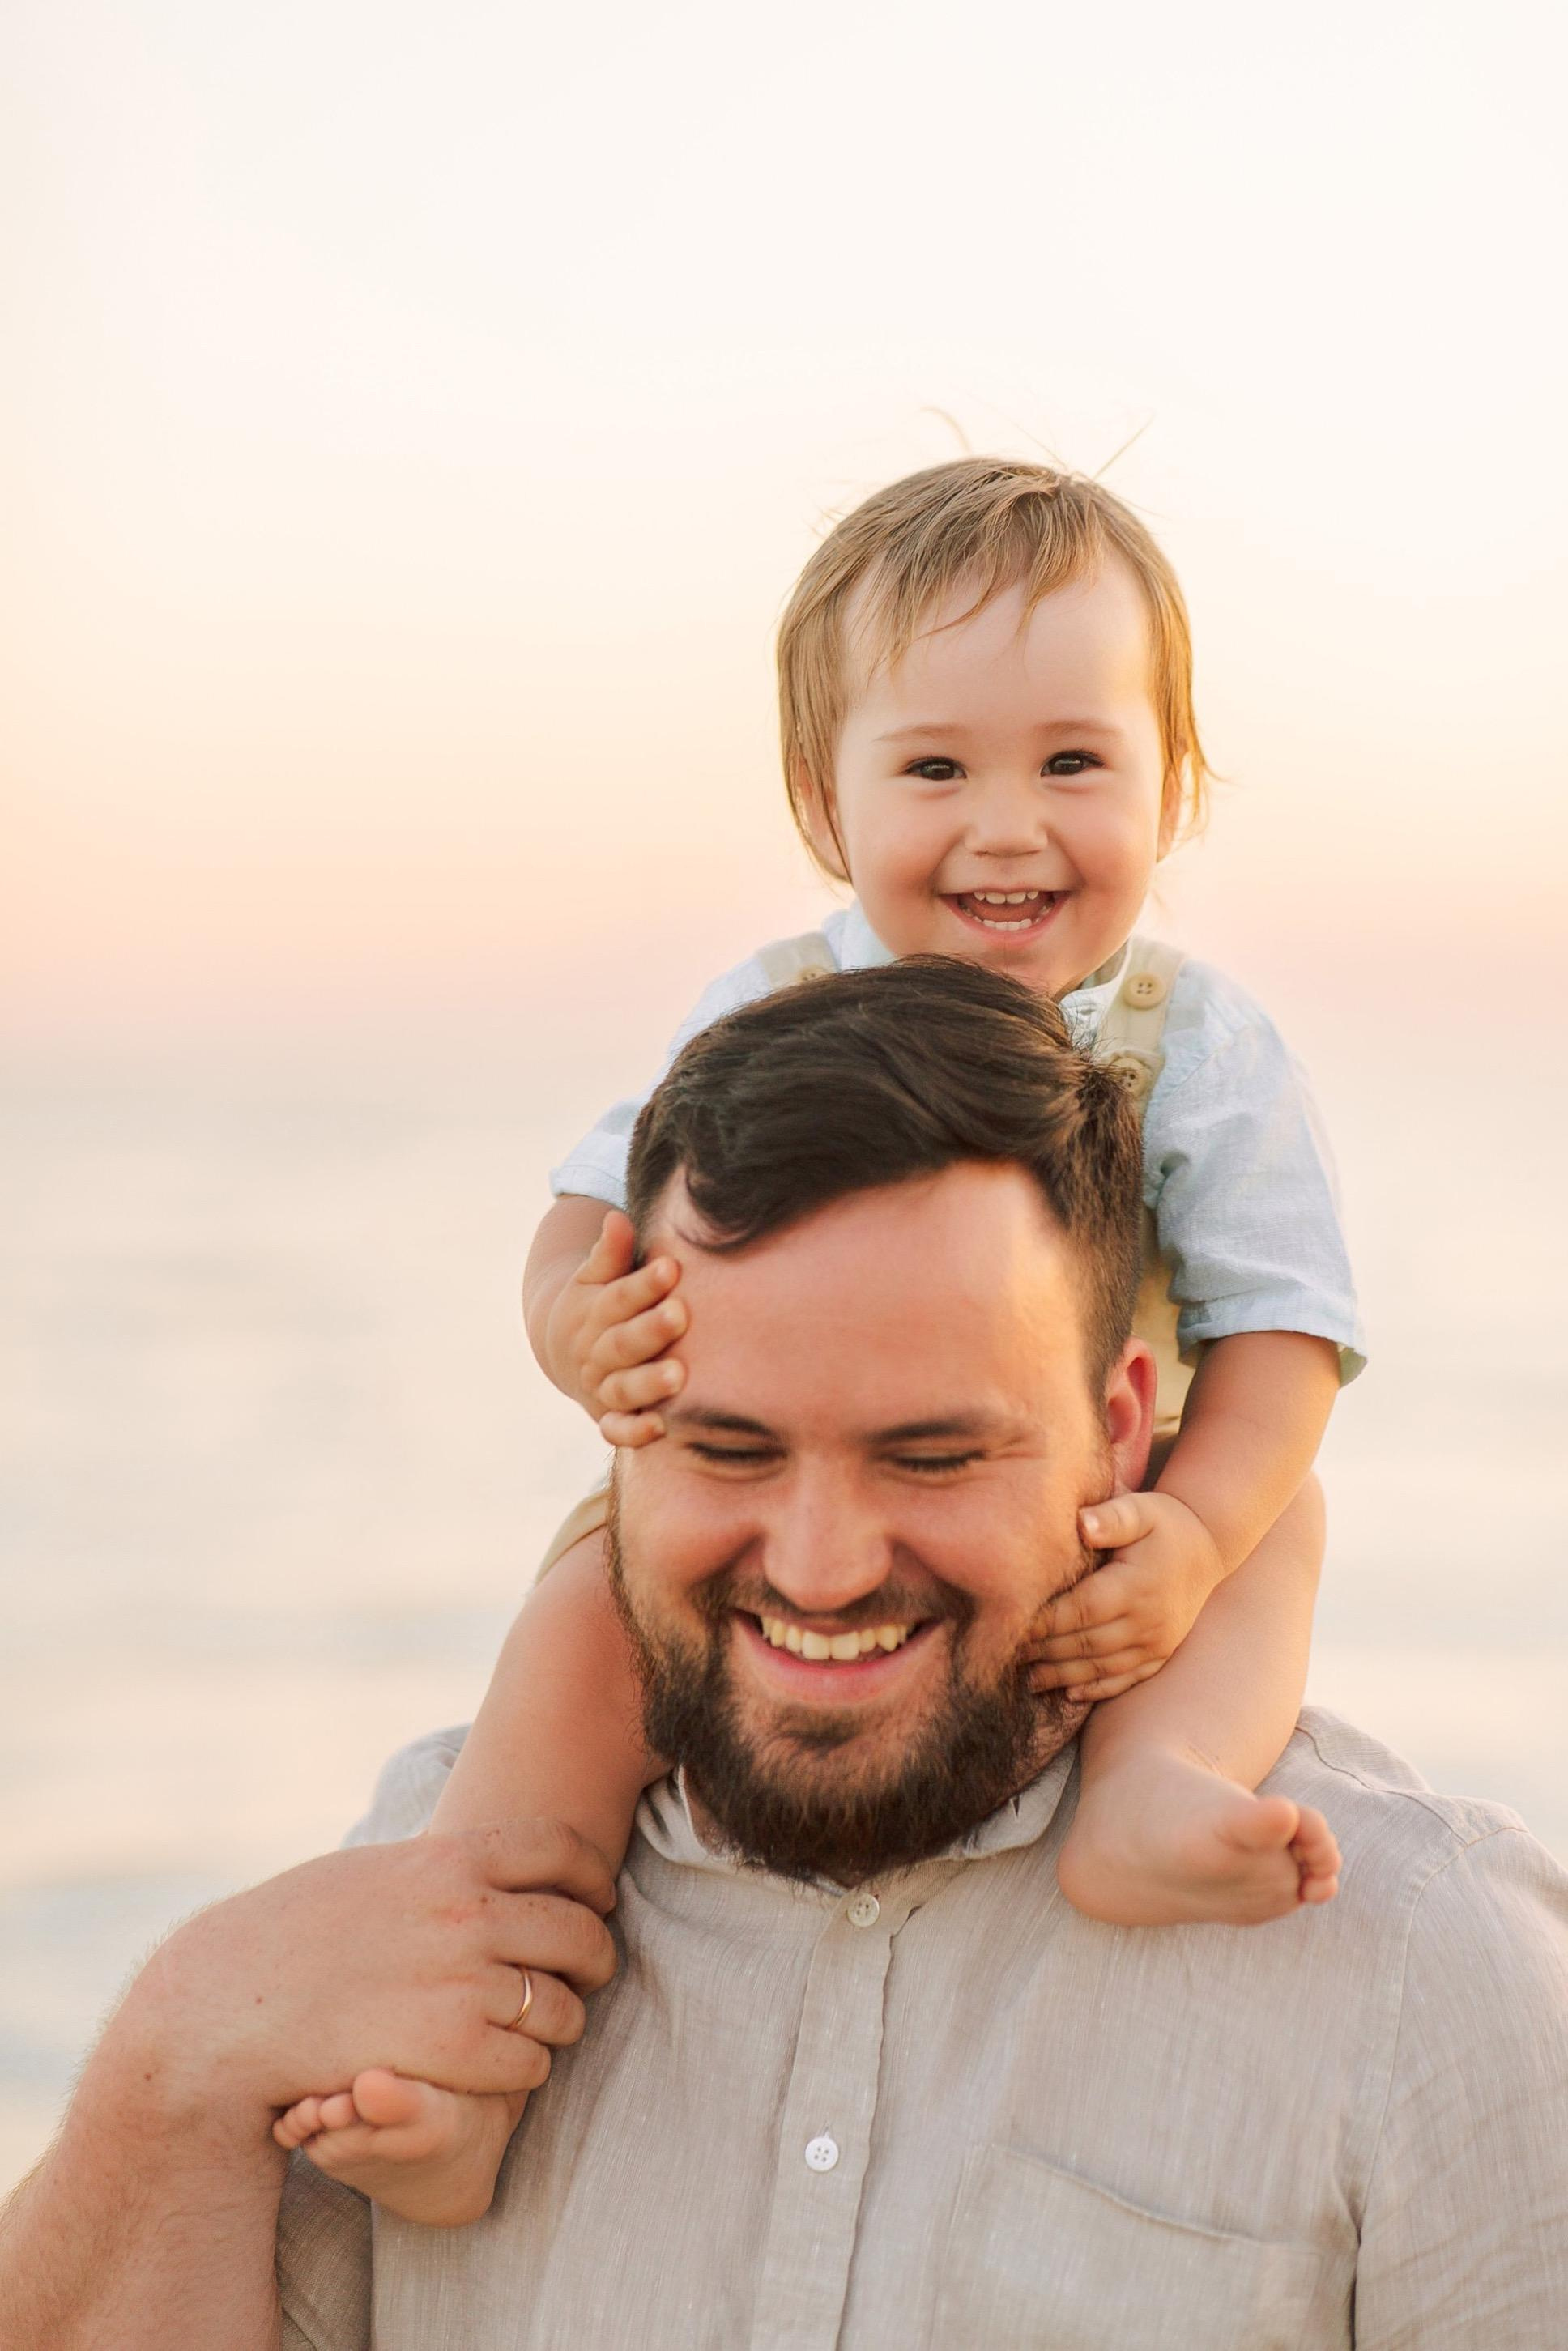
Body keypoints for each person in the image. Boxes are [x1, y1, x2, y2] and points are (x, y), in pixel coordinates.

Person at [5, 960, 1565, 2349]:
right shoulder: (414, 1920)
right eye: (729, 1451)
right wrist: (173, 2060)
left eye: (933, 1457)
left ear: (1114, 1433)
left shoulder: (1427, 1978)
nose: (821, 1569)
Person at [275, 455, 1363, 2223]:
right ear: (821, 799)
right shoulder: (776, 998)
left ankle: (1151, 1799)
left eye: (1072, 764)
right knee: (565, 1660)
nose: (1006, 827)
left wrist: (1192, 1532)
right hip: (768, 1476)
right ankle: (466, 2075)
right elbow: (585, 1212)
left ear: (1172, 785)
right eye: (934, 768)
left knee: (1279, 1531)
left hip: (1113, 1494)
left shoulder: (1196, 1039)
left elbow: (1285, 1332)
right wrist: (579, 1326)